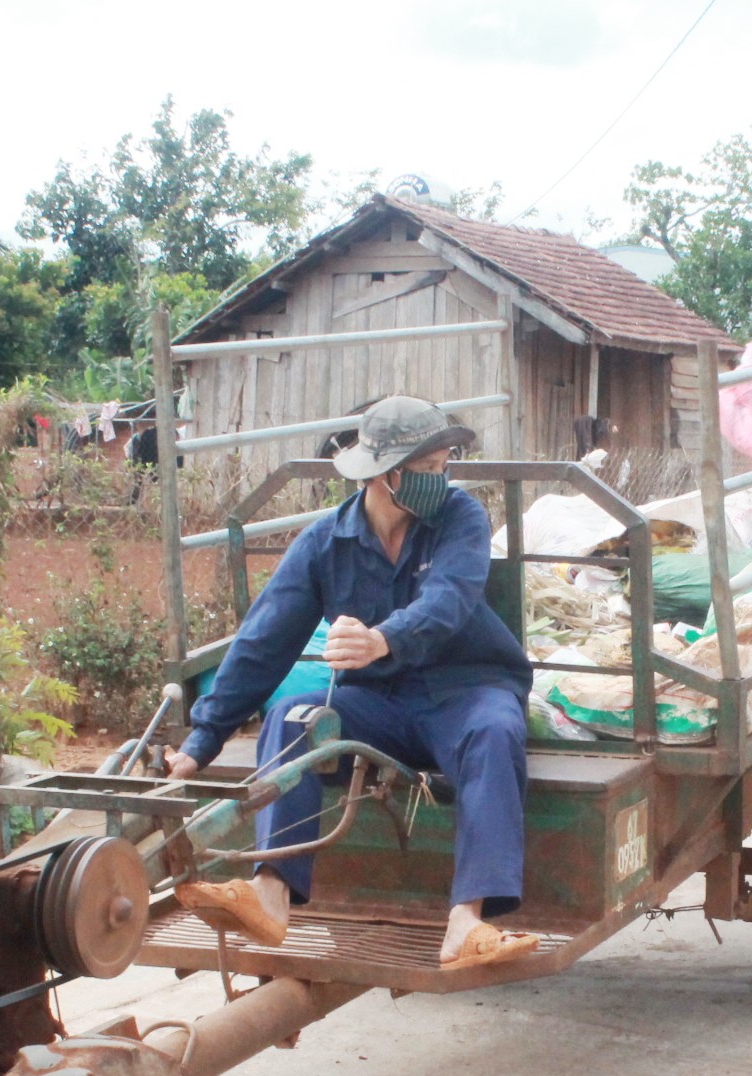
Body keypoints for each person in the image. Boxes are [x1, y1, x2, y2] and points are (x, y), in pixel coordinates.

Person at [166, 396, 541, 970]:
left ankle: (466, 922)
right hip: (380, 703)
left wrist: (381, 639)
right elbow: (263, 642)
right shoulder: (324, 543)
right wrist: (200, 744)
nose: (442, 480)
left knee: (495, 731)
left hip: (466, 690)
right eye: (431, 470)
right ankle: (270, 894)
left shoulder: (460, 517)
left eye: (445, 467)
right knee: (293, 715)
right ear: (388, 475)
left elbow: (450, 598)